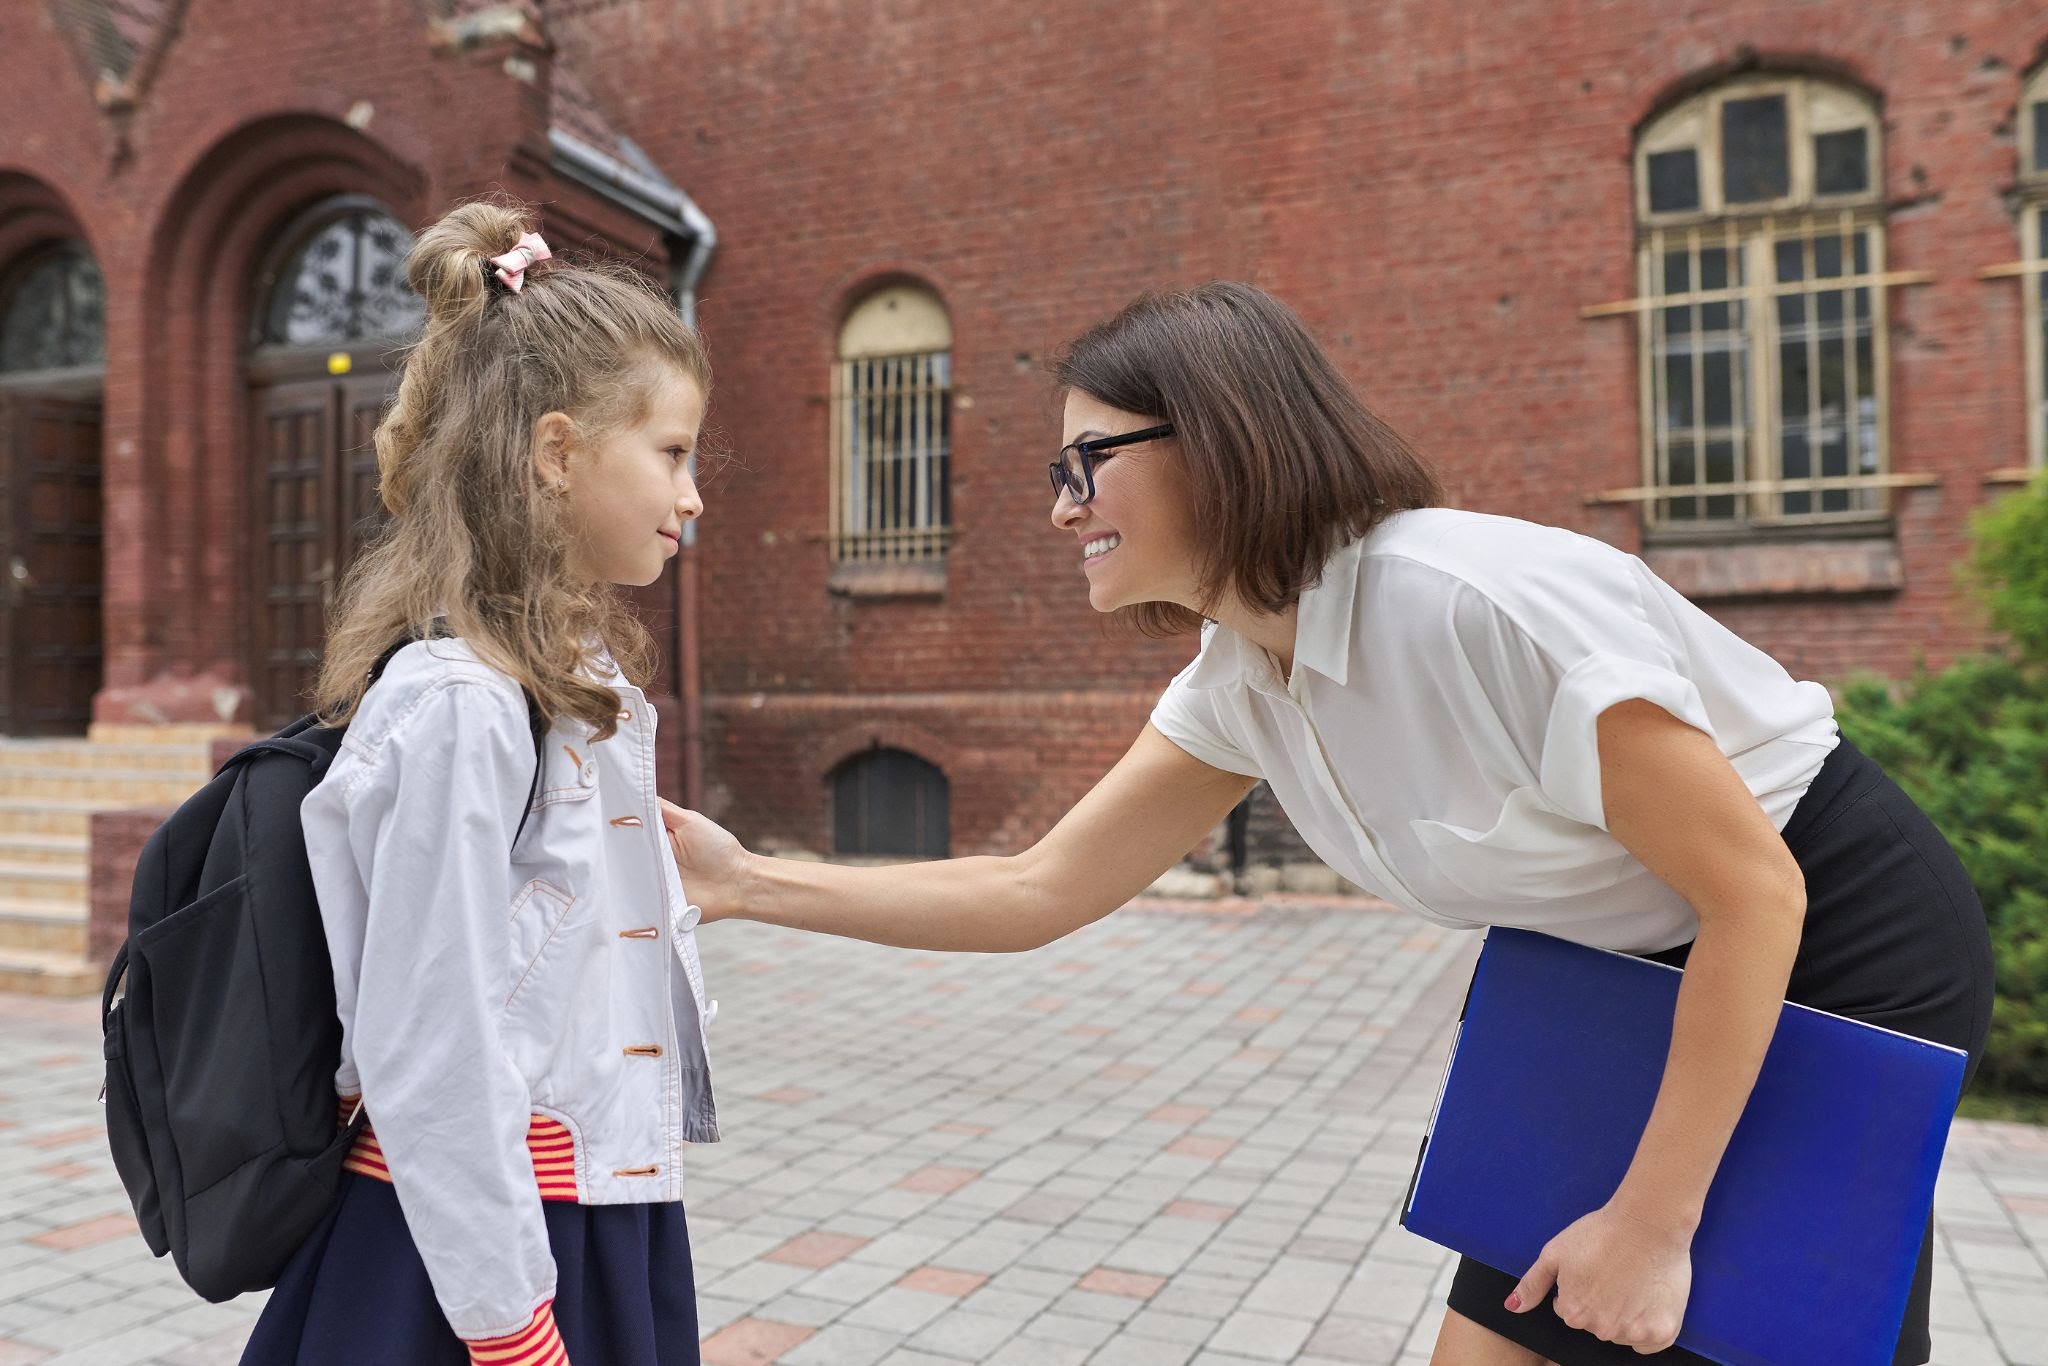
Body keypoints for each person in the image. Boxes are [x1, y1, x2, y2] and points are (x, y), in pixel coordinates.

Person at [659, 282, 1994, 1365]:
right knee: (1504, 1336)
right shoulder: (1247, 675)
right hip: (1617, 972)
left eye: (1087, 460)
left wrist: (1653, 1214)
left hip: (1828, 937)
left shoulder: (1470, 604)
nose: (1062, 503)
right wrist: (745, 881)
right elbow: (1036, 889)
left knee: (1764, 1322)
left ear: (1221, 436)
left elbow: (1757, 891)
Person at [241, 198, 717, 1366]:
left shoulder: (575, 684)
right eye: (671, 454)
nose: (692, 495)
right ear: (557, 452)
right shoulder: (461, 706)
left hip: (598, 1212)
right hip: (464, 1263)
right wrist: (510, 1329)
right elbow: (428, 1042)